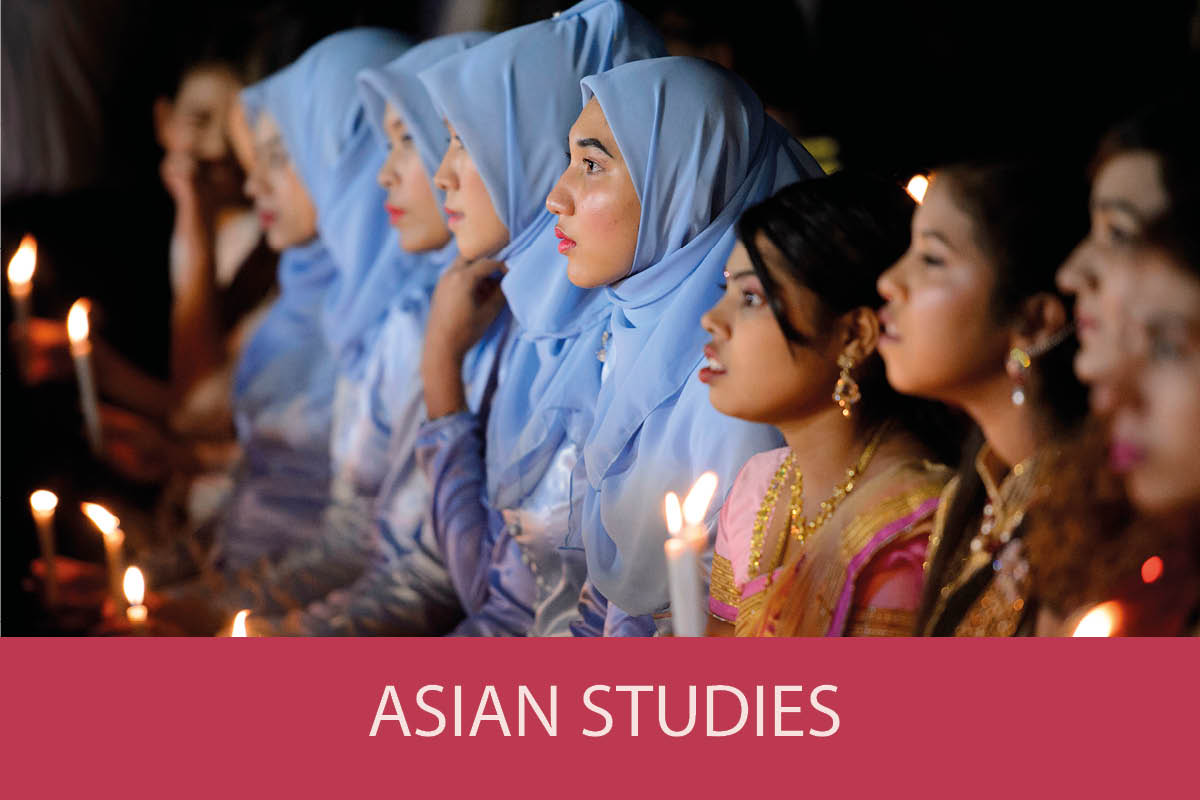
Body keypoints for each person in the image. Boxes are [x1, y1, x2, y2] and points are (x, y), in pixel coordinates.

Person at [542, 56, 823, 633]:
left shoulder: (732, 390)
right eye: (570, 162)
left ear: (684, 186)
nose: (556, 197)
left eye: (592, 165)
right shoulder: (625, 333)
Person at [414, 0, 667, 636]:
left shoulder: (623, 353)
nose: (437, 175)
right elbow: (494, 596)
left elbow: (494, 600)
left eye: (463, 141)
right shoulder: (518, 326)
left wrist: (439, 367)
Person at [260, 32, 507, 636]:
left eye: (410, 140)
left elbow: (445, 579)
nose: (381, 176)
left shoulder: (476, 322)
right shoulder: (405, 306)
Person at [699, 174, 958, 637]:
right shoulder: (760, 487)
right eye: (727, 290)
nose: (712, 319)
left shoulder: (913, 531)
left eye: (752, 297)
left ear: (854, 336)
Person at [875, 161, 1089, 636]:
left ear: (1033, 321)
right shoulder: (972, 495)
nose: (888, 281)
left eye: (932, 259)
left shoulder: (1087, 526)